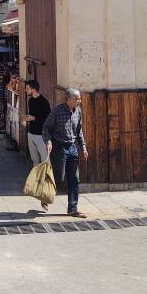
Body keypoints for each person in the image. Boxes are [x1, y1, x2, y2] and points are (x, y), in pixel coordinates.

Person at [42, 88, 89, 218]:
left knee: (74, 178)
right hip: (58, 147)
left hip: (72, 147)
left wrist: (83, 147)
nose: (79, 101)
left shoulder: (78, 111)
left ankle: (73, 208)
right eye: (77, 98)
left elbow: (79, 131)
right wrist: (48, 142)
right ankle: (45, 196)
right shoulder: (57, 111)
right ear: (68, 99)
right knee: (59, 178)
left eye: (79, 98)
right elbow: (46, 127)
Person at [22, 79, 51, 165]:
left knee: (45, 159)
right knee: (34, 159)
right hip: (31, 133)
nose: (26, 90)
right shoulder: (30, 100)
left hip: (41, 135)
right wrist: (27, 118)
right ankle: (36, 177)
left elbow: (47, 120)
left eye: (27, 88)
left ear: (33, 89)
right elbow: (32, 115)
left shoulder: (44, 102)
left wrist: (34, 118)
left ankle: (47, 177)